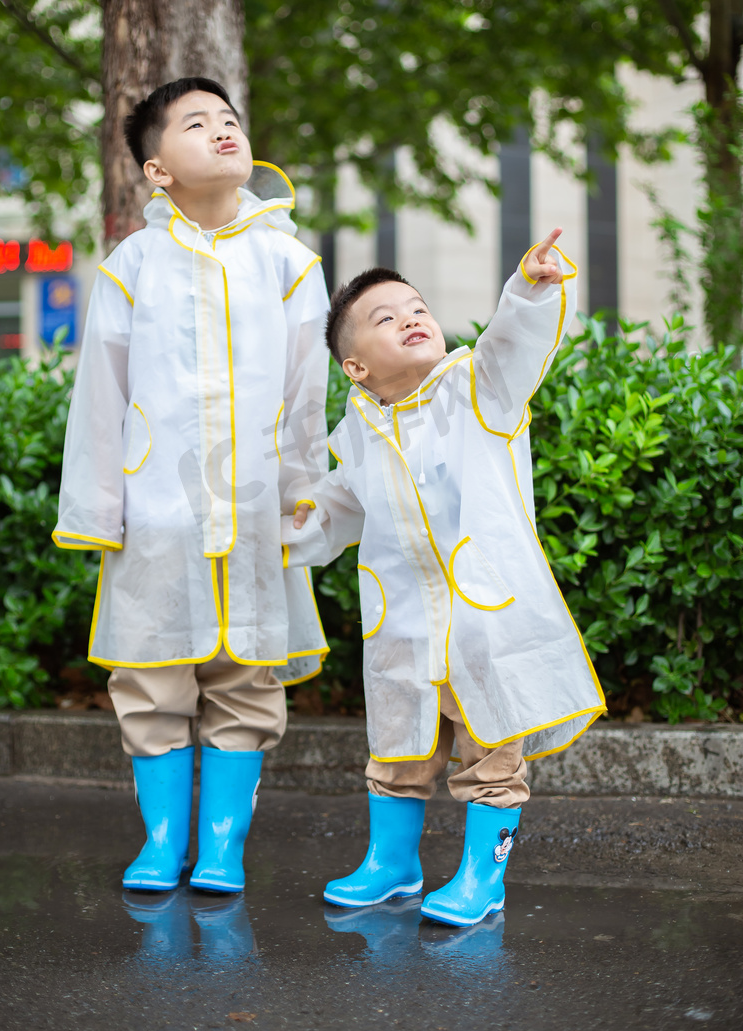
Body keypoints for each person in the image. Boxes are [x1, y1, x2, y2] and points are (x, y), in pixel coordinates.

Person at [283, 230, 606, 927]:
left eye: (417, 306)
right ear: (355, 368)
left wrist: (529, 290)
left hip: (483, 617)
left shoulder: (477, 391)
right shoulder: (358, 434)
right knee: (397, 745)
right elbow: (339, 507)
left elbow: (511, 348)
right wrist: (286, 528)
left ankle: (481, 880)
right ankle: (392, 864)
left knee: (492, 750)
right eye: (386, 318)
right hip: (402, 622)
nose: (411, 317)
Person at [53, 77, 329, 893]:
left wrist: (303, 499)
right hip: (158, 516)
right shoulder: (132, 265)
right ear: (156, 169)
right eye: (196, 122)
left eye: (230, 120)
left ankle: (221, 849)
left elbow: (305, 393)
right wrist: (101, 508)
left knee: (246, 679)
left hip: (253, 510)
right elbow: (100, 397)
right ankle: (161, 840)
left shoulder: (288, 259)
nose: (222, 130)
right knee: (150, 674)